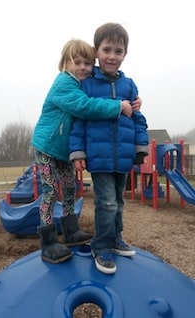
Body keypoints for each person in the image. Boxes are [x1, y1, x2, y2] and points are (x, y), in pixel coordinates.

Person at [31, 38, 140, 265]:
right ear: (65, 63)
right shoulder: (64, 83)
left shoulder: (83, 83)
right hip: (46, 147)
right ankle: (48, 241)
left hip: (63, 151)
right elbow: (85, 106)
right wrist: (118, 106)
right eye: (76, 62)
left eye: (87, 64)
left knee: (70, 188)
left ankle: (71, 231)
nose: (83, 68)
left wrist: (134, 100)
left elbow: (103, 87)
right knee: (51, 192)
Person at [69, 23, 149, 274]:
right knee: (107, 203)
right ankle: (101, 245)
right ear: (96, 51)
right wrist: (78, 152)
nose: (112, 56)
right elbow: (79, 119)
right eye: (106, 50)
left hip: (123, 157)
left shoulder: (129, 86)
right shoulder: (88, 84)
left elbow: (137, 118)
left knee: (120, 203)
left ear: (125, 54)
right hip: (99, 157)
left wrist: (140, 147)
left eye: (118, 50)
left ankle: (115, 238)